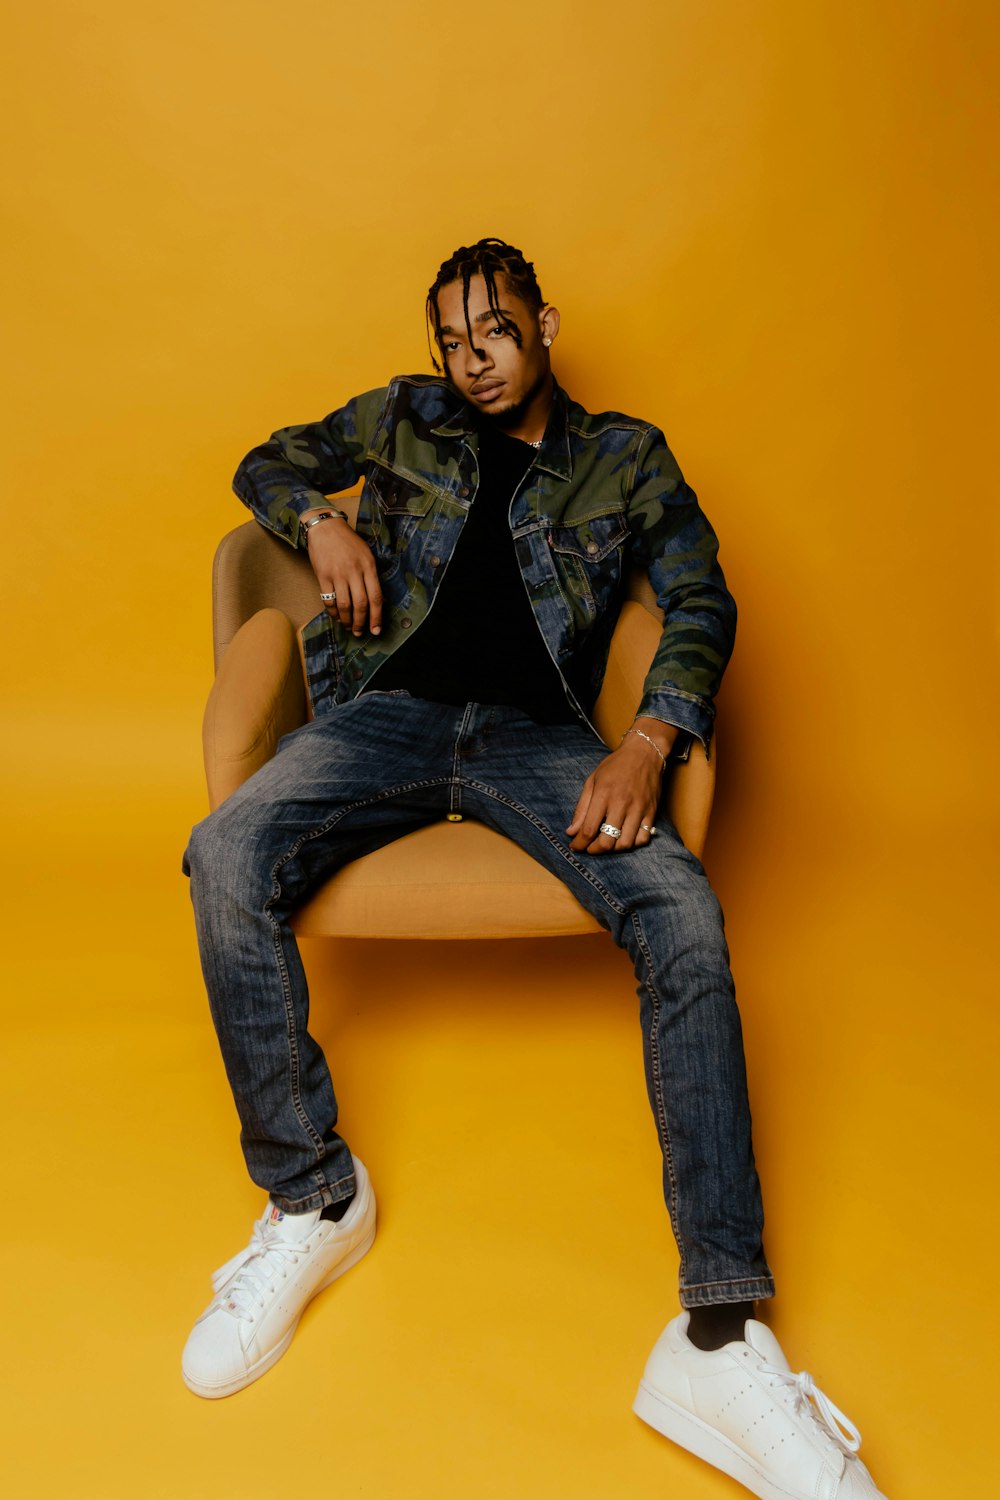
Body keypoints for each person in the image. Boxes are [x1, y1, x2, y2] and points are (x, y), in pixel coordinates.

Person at [182, 238, 886, 1499]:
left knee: (679, 907)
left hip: (545, 742)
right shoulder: (399, 417)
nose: (473, 363)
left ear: (544, 324)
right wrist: (321, 516)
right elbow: (263, 460)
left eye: (494, 335)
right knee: (224, 850)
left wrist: (646, 739)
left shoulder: (628, 455)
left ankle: (718, 1339)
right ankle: (311, 1199)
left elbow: (700, 597)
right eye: (453, 342)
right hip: (387, 715)